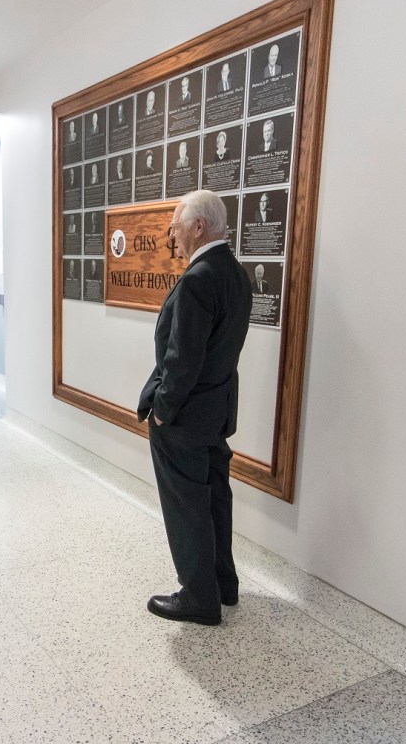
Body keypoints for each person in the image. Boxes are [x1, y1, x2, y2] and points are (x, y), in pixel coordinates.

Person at [137, 190, 252, 625]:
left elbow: (181, 359)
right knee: (214, 498)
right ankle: (223, 584)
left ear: (198, 226)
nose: (172, 231)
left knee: (187, 504)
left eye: (176, 223)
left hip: (184, 417)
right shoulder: (235, 274)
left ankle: (198, 597)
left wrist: (163, 410)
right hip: (217, 413)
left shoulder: (198, 278)